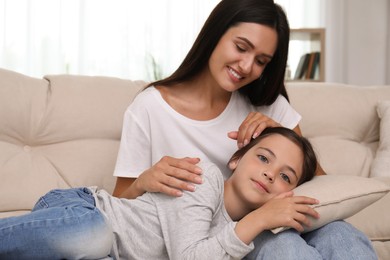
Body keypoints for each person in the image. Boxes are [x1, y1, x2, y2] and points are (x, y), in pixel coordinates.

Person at [112, 0, 377, 259]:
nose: (247, 67)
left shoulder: (269, 105)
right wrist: (143, 181)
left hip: (284, 217)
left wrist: (282, 133)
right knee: (282, 245)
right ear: (216, 33)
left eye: (261, 61)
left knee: (342, 234)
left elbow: (318, 184)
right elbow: (121, 206)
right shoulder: (150, 108)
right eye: (241, 47)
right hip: (230, 235)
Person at [0, 127, 319, 259]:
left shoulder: (238, 239)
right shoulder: (203, 178)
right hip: (85, 210)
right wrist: (260, 219)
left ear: (288, 194)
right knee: (95, 235)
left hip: (109, 252)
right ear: (236, 160)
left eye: (285, 176)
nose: (269, 173)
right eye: (263, 158)